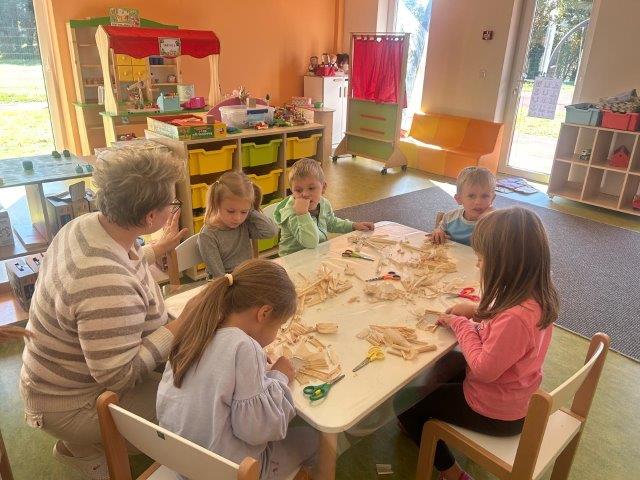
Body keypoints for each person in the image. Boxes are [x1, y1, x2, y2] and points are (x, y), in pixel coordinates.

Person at [19, 148, 189, 480]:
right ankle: (85, 446)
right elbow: (120, 376)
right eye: (171, 204)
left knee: (176, 379)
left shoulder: (86, 225)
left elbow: (120, 260)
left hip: (52, 378)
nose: (173, 208)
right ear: (150, 218)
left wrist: (155, 250)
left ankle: (82, 444)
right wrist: (180, 326)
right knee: (188, 410)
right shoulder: (104, 282)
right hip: (70, 404)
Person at [398, 207, 559, 480]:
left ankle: (453, 473)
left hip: (495, 412)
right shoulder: (533, 298)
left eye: (481, 259)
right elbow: (502, 331)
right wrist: (477, 313)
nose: (477, 265)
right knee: (446, 366)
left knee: (404, 404)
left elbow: (484, 369)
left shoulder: (516, 317)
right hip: (516, 396)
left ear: (502, 264)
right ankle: (423, 417)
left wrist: (461, 324)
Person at [157, 259, 336, 480]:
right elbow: (257, 430)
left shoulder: (197, 327)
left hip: (183, 464)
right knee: (318, 439)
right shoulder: (243, 346)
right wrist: (279, 376)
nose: (276, 334)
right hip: (229, 472)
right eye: (279, 326)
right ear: (264, 313)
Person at [274, 158, 374, 256]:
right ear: (292, 191)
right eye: (298, 190)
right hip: (292, 260)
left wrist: (353, 226)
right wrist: (302, 214)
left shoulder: (323, 203)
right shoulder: (292, 212)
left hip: (317, 254)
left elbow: (331, 222)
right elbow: (310, 242)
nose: (305, 194)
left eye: (311, 188)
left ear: (323, 187)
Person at [197, 171, 278, 278]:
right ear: (217, 204)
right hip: (225, 282)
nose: (237, 218)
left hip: (245, 276)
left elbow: (271, 231)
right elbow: (219, 276)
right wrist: (245, 210)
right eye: (231, 211)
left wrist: (251, 211)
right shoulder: (207, 235)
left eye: (243, 212)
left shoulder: (243, 223)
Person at [431, 167, 496, 246]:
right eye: (471, 196)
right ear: (459, 199)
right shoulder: (450, 218)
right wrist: (438, 232)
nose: (478, 202)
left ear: (492, 198)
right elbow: (439, 230)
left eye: (485, 196)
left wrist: (490, 222)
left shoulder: (495, 222)